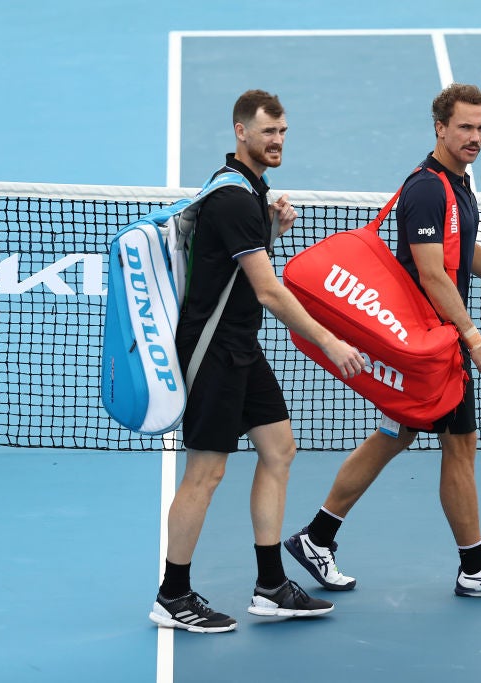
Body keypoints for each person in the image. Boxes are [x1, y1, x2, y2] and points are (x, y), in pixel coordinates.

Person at [285, 83, 481, 599]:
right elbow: (433, 274)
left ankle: (317, 537)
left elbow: (464, 253)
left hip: (433, 342)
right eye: (465, 128)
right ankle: (475, 567)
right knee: (460, 446)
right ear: (440, 127)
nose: (475, 137)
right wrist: (472, 339)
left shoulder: (458, 184)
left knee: (396, 434)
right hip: (434, 346)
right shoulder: (430, 189)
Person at [148, 90, 365, 633]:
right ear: (240, 132)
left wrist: (271, 233)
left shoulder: (250, 192)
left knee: (278, 449)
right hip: (214, 350)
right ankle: (172, 595)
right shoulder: (234, 198)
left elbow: (232, 265)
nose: (278, 141)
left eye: (283, 131)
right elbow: (268, 291)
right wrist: (330, 341)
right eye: (268, 132)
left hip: (240, 345)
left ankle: (270, 586)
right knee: (206, 471)